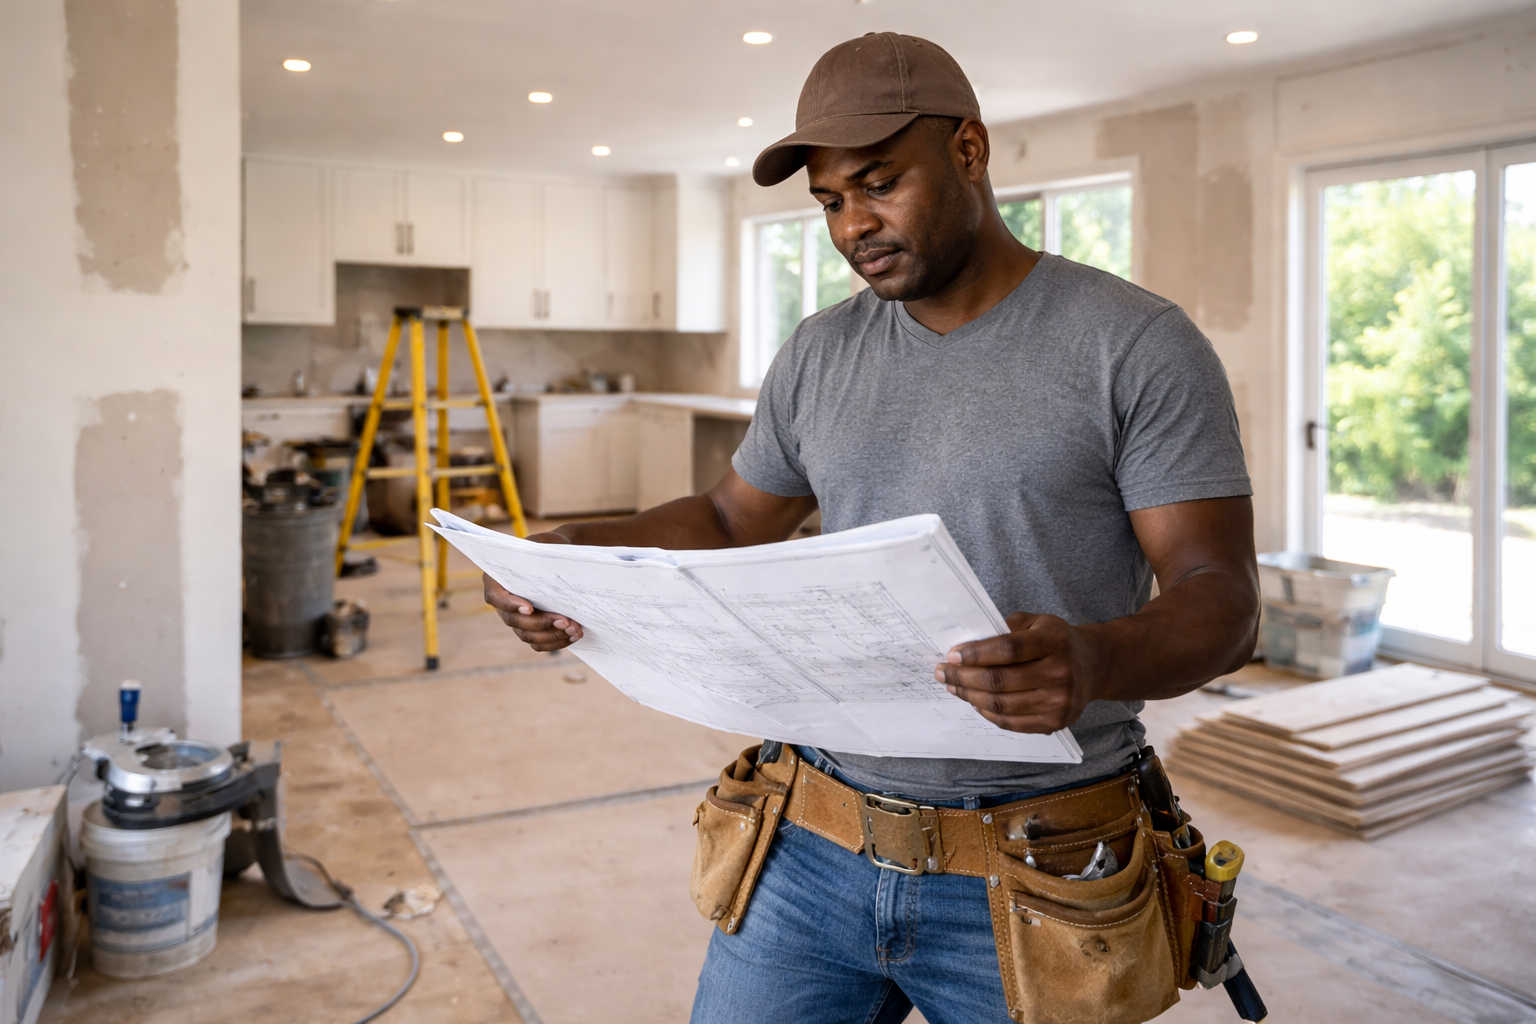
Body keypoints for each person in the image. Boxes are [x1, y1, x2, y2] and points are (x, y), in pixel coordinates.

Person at [484, 31, 1259, 1024]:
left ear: (970, 152)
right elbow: (727, 516)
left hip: (1041, 865)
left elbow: (1224, 603)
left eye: (879, 183)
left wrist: (1097, 659)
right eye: (829, 201)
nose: (853, 225)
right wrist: (570, 552)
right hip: (811, 838)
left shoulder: (1132, 345)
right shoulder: (820, 351)